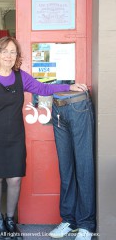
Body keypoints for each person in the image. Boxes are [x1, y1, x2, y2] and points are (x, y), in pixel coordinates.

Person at [0, 37, 87, 240]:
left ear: (17, 56)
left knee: (15, 178)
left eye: (13, 52)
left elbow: (42, 88)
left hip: (15, 135)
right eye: (5, 51)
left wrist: (69, 86)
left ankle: (9, 220)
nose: (9, 55)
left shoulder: (20, 77)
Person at [49, 91, 96, 240]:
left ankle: (86, 224)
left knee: (83, 166)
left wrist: (69, 85)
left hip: (78, 105)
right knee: (66, 169)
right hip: (57, 107)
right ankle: (69, 220)